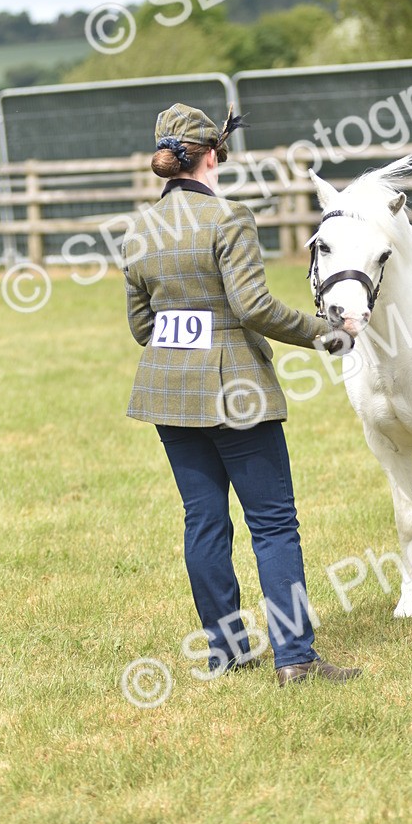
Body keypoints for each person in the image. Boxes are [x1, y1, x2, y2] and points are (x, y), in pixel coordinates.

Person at [121, 102, 360, 687]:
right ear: (211, 155)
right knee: (274, 524)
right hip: (236, 393)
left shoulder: (139, 230)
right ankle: (296, 658)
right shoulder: (230, 217)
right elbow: (253, 305)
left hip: (169, 394)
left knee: (204, 521)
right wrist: (322, 332)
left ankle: (226, 651)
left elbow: (141, 325)